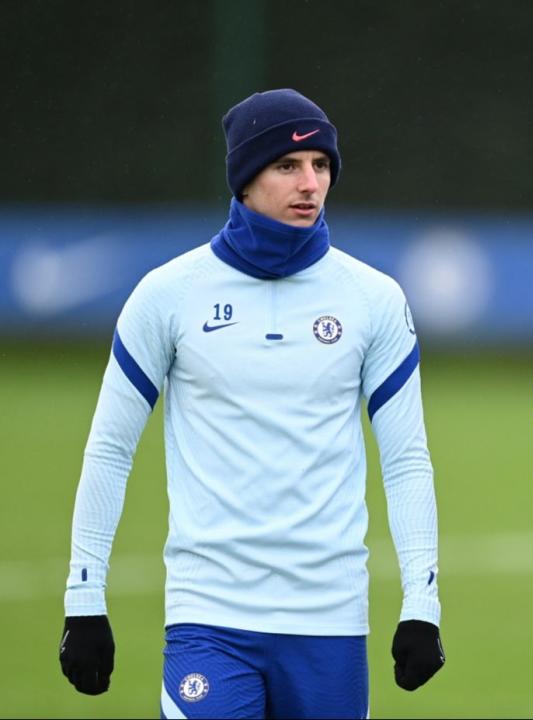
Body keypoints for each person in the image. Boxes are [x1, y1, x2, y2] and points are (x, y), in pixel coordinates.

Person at [59, 89, 444, 719]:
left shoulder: (373, 298)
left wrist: (421, 607)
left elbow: (406, 461)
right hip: (207, 616)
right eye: (287, 166)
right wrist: (84, 600)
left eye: (322, 165)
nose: (310, 183)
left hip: (330, 621)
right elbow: (109, 450)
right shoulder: (166, 294)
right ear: (243, 177)